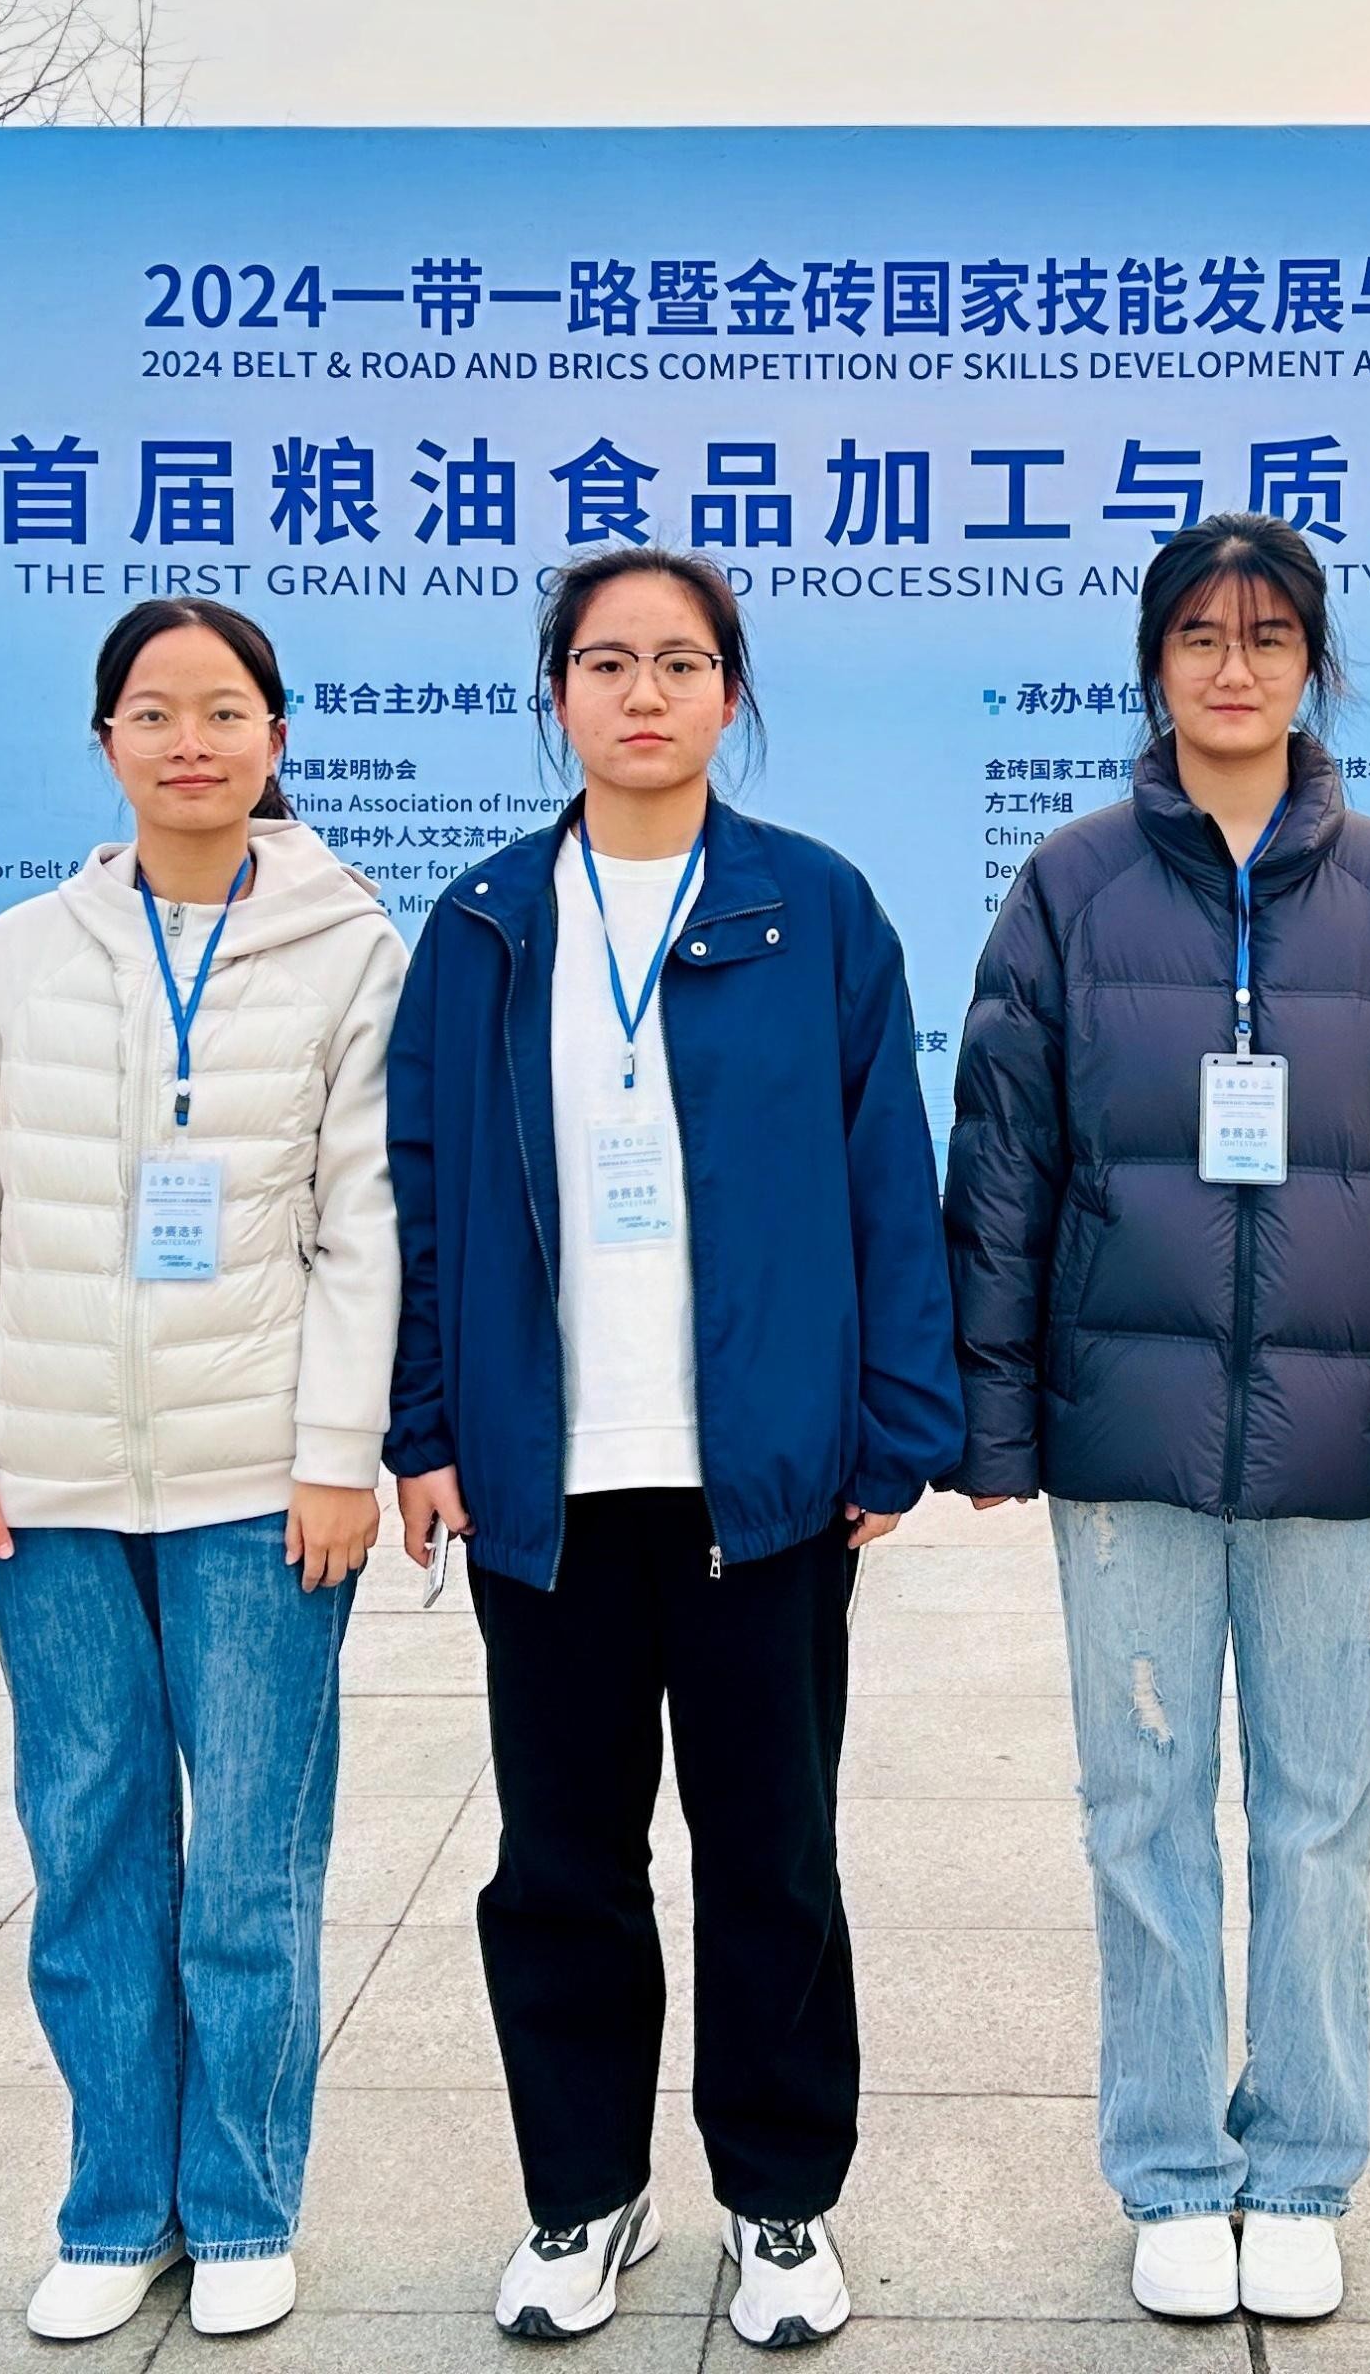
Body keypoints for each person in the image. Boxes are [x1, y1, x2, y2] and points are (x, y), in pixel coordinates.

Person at [383, 545, 963, 2353]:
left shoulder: (816, 909)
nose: (645, 694)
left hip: (760, 1481)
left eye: (683, 663)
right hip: (544, 1484)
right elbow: (420, 1190)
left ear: (732, 693)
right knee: (562, 1858)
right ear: (556, 692)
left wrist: (896, 1428)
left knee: (771, 1853)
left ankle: (780, 2204)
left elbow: (888, 1176)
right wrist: (423, 1426)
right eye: (608, 662)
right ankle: (584, 2195)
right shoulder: (486, 923)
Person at [941, 513, 1370, 2327]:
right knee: (1141, 1806)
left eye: (1266, 637)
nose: (1232, 668)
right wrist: (998, 1420)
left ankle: (1305, 2165)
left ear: (1313, 665)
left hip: (1336, 1436)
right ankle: (1173, 2168)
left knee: (1321, 1817)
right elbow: (1003, 1164)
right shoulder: (1072, 885)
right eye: (1199, 637)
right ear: (1153, 665)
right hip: (1127, 1428)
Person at [0, 596, 405, 2344]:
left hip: (261, 1486)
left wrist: (340, 1455)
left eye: (224, 709)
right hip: (45, 1488)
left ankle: (245, 2204)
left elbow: (368, 1226)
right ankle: (117, 2207)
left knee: (252, 1870)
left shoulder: (352, 950)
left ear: (277, 736)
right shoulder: (23, 952)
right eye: (153, 711)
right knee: (91, 1848)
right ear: (105, 738)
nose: (191, 741)